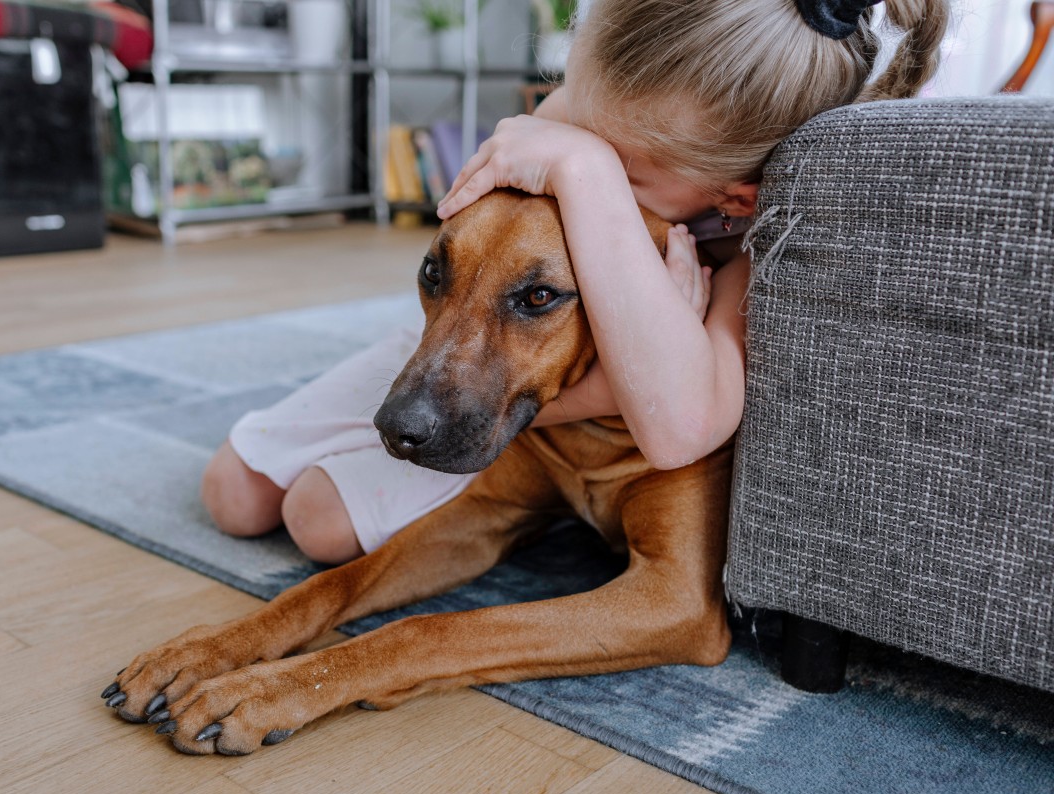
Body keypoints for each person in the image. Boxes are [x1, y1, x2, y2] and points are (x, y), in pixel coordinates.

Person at [201, 0, 948, 565]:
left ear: (734, 197)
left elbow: (680, 423)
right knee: (231, 496)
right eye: (574, 126)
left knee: (317, 519)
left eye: (615, 169)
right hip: (479, 337)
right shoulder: (605, 114)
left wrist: (582, 172)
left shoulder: (760, 243)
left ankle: (524, 501)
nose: (569, 149)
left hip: (549, 400)